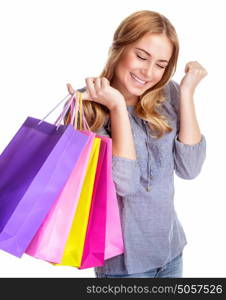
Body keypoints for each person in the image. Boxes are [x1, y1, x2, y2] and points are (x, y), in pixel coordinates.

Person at [65, 10, 207, 278]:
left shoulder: (169, 94)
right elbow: (124, 183)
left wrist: (187, 92)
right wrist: (118, 106)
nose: (148, 72)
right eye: (141, 56)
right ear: (118, 47)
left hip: (171, 252)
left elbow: (190, 168)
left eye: (161, 64)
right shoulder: (87, 107)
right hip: (123, 266)